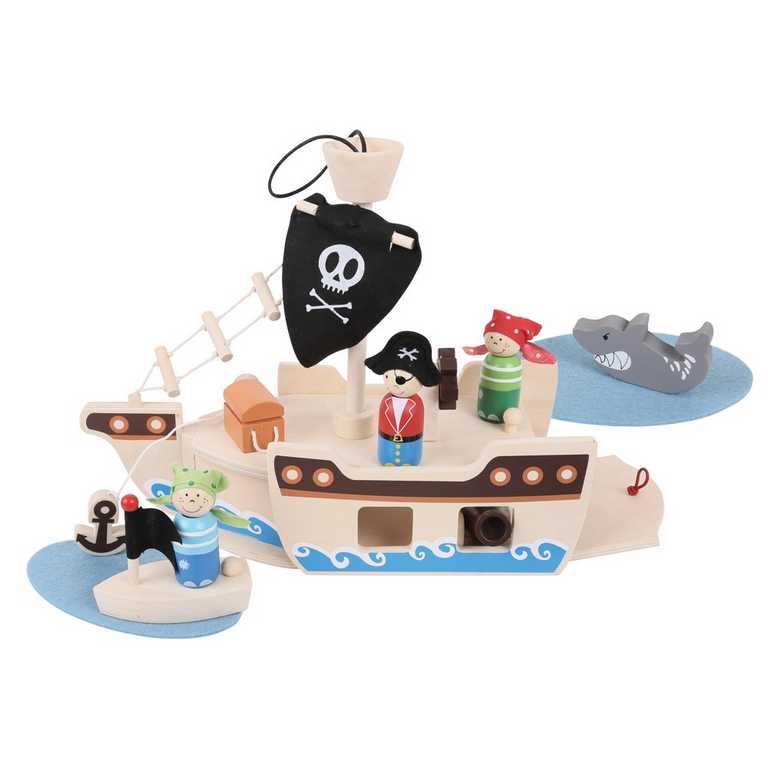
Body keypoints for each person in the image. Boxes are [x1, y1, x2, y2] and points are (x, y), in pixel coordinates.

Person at [365, 331, 441, 466]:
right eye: (387, 376)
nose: (394, 384)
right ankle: (387, 458)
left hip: (411, 447)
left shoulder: (416, 403)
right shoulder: (386, 401)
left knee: (409, 460)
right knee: (387, 456)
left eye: (400, 380)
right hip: (386, 446)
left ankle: (410, 460)